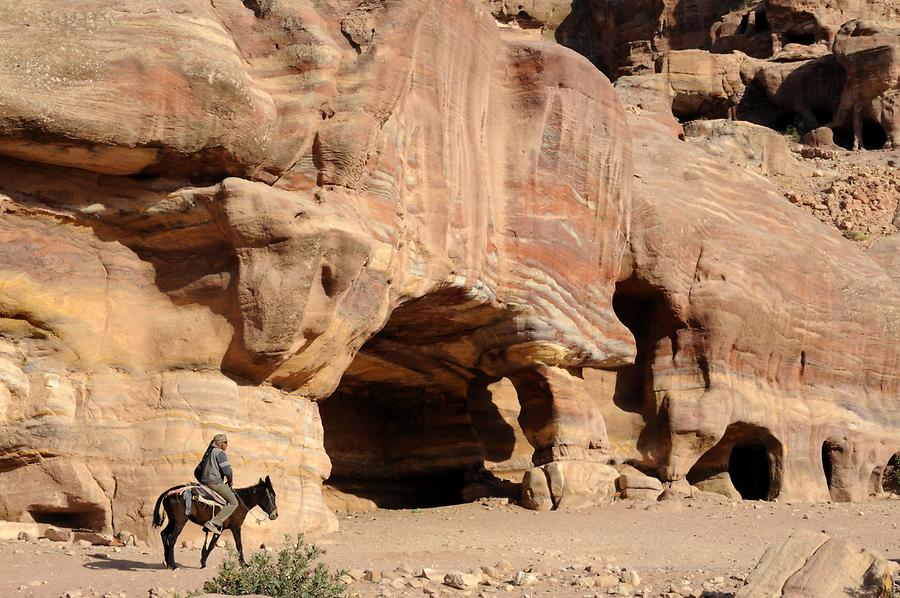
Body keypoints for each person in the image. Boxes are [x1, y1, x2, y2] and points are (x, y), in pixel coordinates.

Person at [198, 433, 238, 534]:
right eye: (225, 442)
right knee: (234, 502)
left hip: (205, 482)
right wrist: (230, 481)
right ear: (219, 444)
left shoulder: (209, 452)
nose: (227, 444)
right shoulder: (220, 453)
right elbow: (227, 471)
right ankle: (213, 523)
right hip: (214, 483)